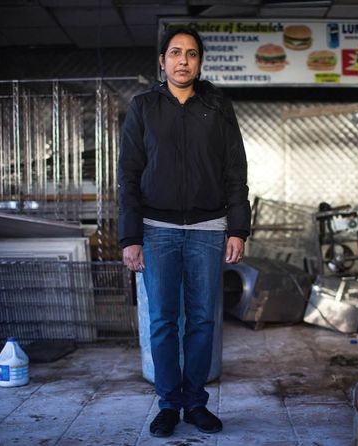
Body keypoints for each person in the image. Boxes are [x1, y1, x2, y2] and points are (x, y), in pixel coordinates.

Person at [117, 27, 250, 437]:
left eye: (191, 54)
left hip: (209, 229)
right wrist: (130, 236)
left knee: (202, 321)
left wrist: (238, 228)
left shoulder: (217, 106)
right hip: (156, 230)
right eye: (175, 53)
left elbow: (235, 172)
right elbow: (128, 176)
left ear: (199, 61)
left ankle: (195, 403)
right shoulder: (143, 107)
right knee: (161, 321)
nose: (183, 61)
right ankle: (167, 405)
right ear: (162, 60)